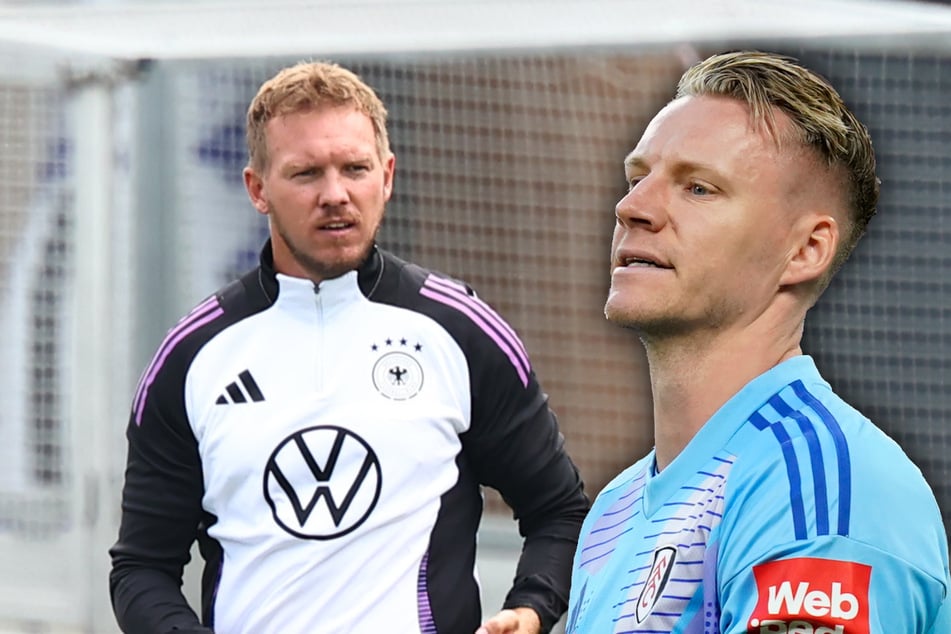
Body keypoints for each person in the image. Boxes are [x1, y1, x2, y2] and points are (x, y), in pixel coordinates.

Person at [109, 60, 589, 634]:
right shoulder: (193, 356)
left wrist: (531, 609)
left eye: (354, 168)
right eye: (306, 173)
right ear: (257, 189)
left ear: (385, 176)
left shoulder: (461, 332)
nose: (335, 194)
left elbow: (560, 511)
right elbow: (141, 568)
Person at [566, 51, 950, 633]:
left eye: (698, 188)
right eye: (637, 177)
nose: (632, 208)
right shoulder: (613, 512)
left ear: (805, 251)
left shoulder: (818, 495)